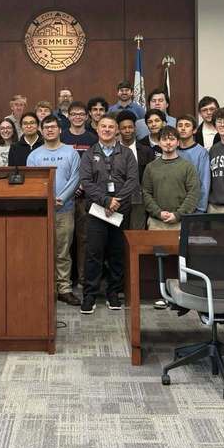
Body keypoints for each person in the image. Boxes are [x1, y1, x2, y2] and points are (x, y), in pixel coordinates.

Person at [79, 114, 139, 314]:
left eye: (111, 127)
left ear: (117, 130)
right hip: (97, 211)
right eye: (103, 126)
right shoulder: (89, 154)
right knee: (93, 254)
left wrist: (116, 201)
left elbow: (132, 180)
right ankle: (90, 295)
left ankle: (114, 293)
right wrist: (106, 200)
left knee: (116, 253)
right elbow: (86, 182)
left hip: (120, 211)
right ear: (97, 129)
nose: (106, 129)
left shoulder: (127, 154)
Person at [27, 115, 81, 306]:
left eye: (53, 127)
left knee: (62, 251)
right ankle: (46, 287)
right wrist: (47, 199)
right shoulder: (34, 156)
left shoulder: (71, 153)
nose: (49, 130)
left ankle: (64, 289)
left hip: (64, 210)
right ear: (41, 131)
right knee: (42, 250)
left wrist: (61, 199)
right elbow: (31, 182)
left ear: (60, 130)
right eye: (46, 127)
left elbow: (75, 179)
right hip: (41, 211)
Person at [61, 101, 98, 289]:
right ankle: (66, 280)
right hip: (64, 197)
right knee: (65, 239)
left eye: (80, 114)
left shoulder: (92, 139)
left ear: (86, 116)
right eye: (73, 114)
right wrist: (70, 187)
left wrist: (82, 185)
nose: (77, 117)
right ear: (68, 116)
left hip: (86, 196)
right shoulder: (62, 137)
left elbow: (94, 166)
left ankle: (83, 280)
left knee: (84, 239)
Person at [143, 126, 200, 232]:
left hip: (181, 223)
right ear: (159, 143)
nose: (168, 142)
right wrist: (158, 213)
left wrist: (178, 215)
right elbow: (146, 193)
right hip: (156, 223)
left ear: (178, 142)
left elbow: (193, 193)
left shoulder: (188, 166)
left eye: (172, 139)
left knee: (181, 249)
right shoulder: (150, 167)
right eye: (164, 139)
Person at [117, 110, 154, 231]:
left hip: (138, 199)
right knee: (118, 235)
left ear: (135, 128)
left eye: (130, 127)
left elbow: (150, 177)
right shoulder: (112, 150)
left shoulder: (146, 151)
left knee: (137, 235)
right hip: (117, 200)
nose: (127, 131)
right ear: (118, 130)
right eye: (123, 128)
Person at [175, 115, 210, 213]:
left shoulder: (202, 153)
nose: (183, 128)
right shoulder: (172, 150)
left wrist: (200, 209)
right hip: (174, 208)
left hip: (195, 209)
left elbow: (204, 184)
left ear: (194, 130)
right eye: (180, 125)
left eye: (187, 125)